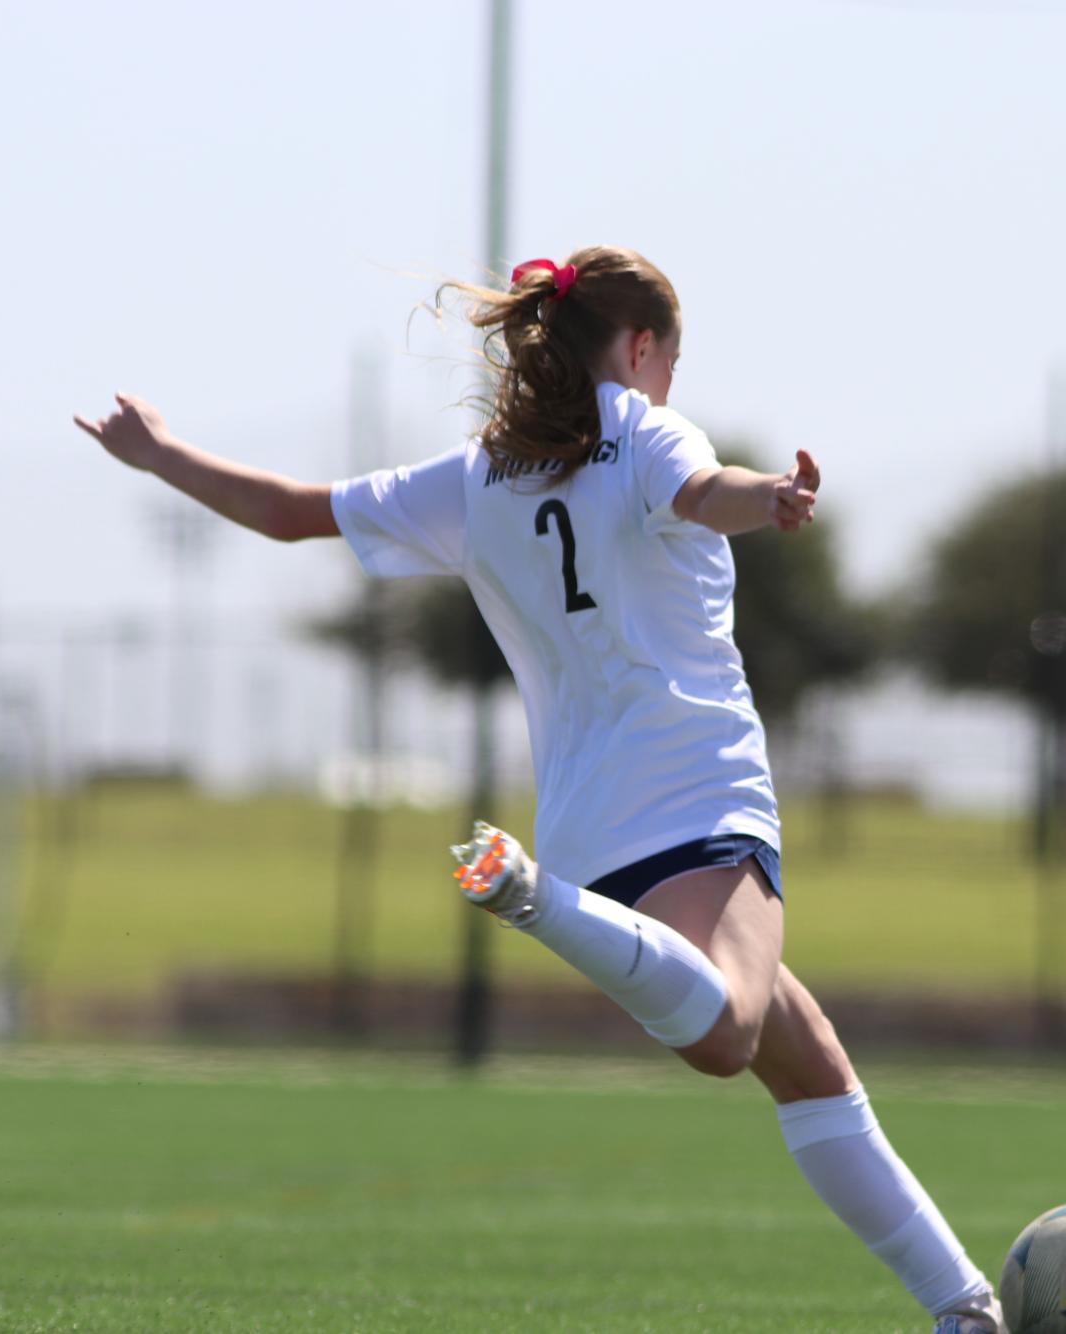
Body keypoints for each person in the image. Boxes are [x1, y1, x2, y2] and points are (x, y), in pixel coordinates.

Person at [74, 245, 1002, 1332]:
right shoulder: (645, 425)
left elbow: (292, 510)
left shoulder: (480, 475)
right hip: (698, 795)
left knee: (809, 1063)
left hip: (588, 826)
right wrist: (779, 497)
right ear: (642, 344)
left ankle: (966, 1308)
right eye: (669, 357)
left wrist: (164, 454)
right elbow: (707, 490)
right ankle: (530, 901)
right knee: (730, 1032)